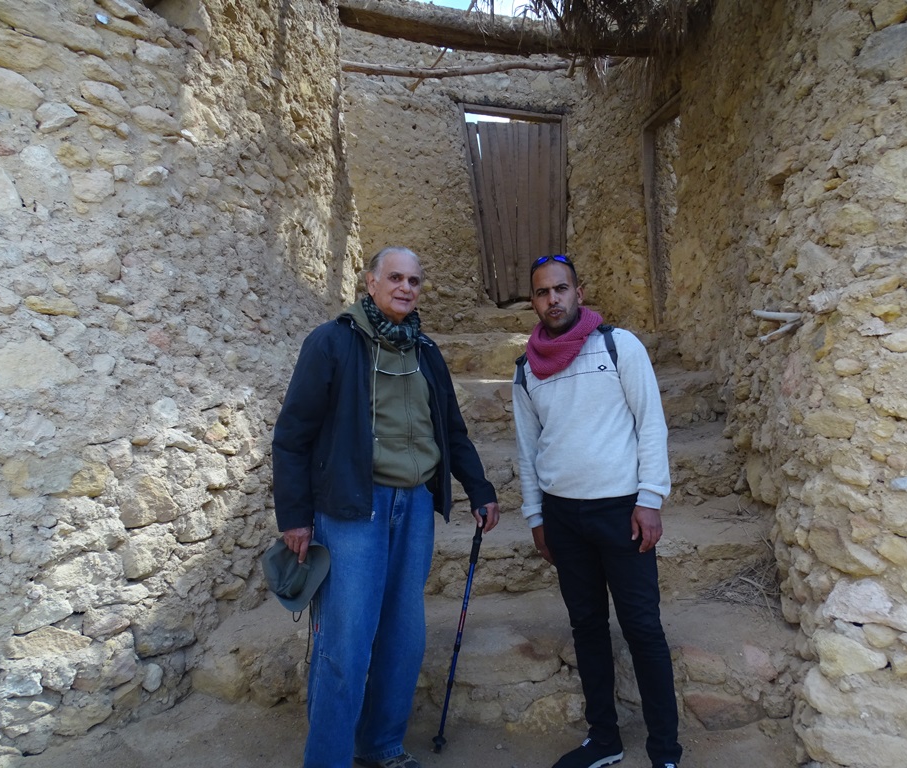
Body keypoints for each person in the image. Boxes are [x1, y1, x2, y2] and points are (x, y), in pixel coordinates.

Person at [272, 246, 500, 768]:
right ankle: (328, 759)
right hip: (353, 510)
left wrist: (479, 489)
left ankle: (382, 746)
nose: (405, 287)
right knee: (345, 644)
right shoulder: (332, 343)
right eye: (395, 277)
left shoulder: (426, 352)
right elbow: (292, 436)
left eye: (414, 281)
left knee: (403, 635)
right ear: (371, 282)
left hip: (414, 507)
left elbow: (453, 432)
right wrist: (295, 518)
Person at [512, 254, 683, 768]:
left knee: (642, 629)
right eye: (542, 293)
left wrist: (649, 499)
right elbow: (527, 449)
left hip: (621, 512)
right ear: (534, 302)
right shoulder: (526, 370)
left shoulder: (618, 346)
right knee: (586, 626)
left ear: (578, 293)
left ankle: (664, 751)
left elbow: (650, 423)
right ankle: (603, 740)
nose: (553, 300)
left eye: (561, 289)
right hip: (564, 518)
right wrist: (536, 517)